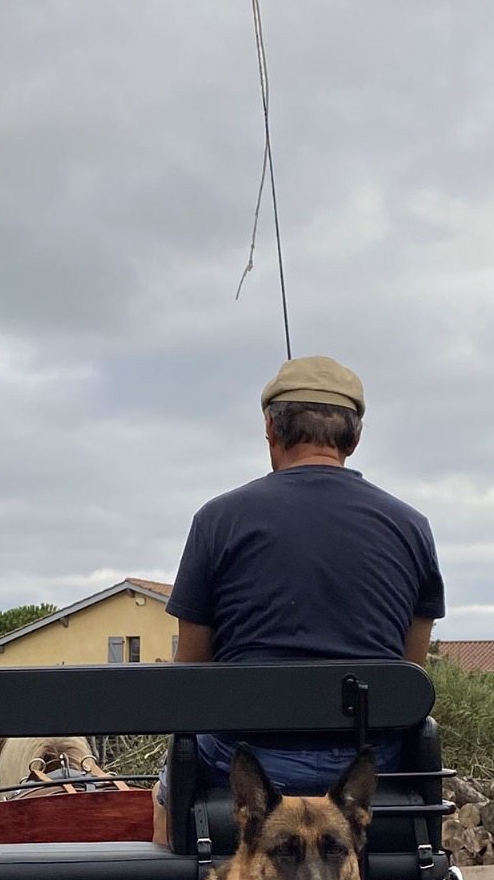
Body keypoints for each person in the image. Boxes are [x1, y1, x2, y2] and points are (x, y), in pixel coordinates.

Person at [154, 354, 444, 839]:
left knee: (165, 796)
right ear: (354, 436)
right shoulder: (412, 527)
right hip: (366, 769)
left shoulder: (217, 520)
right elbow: (407, 678)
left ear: (270, 427)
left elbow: (192, 675)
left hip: (244, 762)